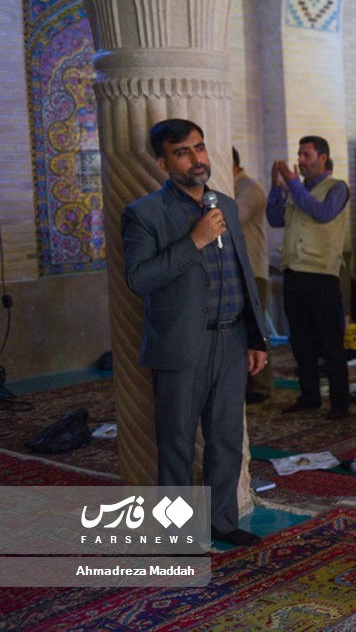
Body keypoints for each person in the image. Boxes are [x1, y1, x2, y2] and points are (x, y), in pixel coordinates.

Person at [122, 119, 268, 547]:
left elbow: (241, 274)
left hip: (231, 340)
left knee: (226, 440)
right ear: (163, 163)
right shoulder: (144, 214)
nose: (196, 159)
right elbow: (139, 279)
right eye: (182, 152)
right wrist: (195, 241)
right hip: (182, 345)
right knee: (177, 443)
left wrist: (255, 338)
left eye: (199, 148)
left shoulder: (224, 205)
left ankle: (221, 521)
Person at [266, 136, 351, 419]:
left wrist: (293, 185)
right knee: (300, 340)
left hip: (321, 274)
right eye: (299, 154)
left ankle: (340, 403)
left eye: (306, 155)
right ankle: (309, 395)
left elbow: (323, 214)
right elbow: (275, 219)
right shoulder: (296, 189)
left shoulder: (337, 187)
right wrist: (275, 186)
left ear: (322, 158)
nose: (300, 160)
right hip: (294, 272)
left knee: (330, 340)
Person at [233, 146, 272, 405]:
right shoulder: (231, 186)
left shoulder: (249, 187)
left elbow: (232, 219)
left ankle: (261, 385)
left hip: (252, 270)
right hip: (235, 271)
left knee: (256, 328)